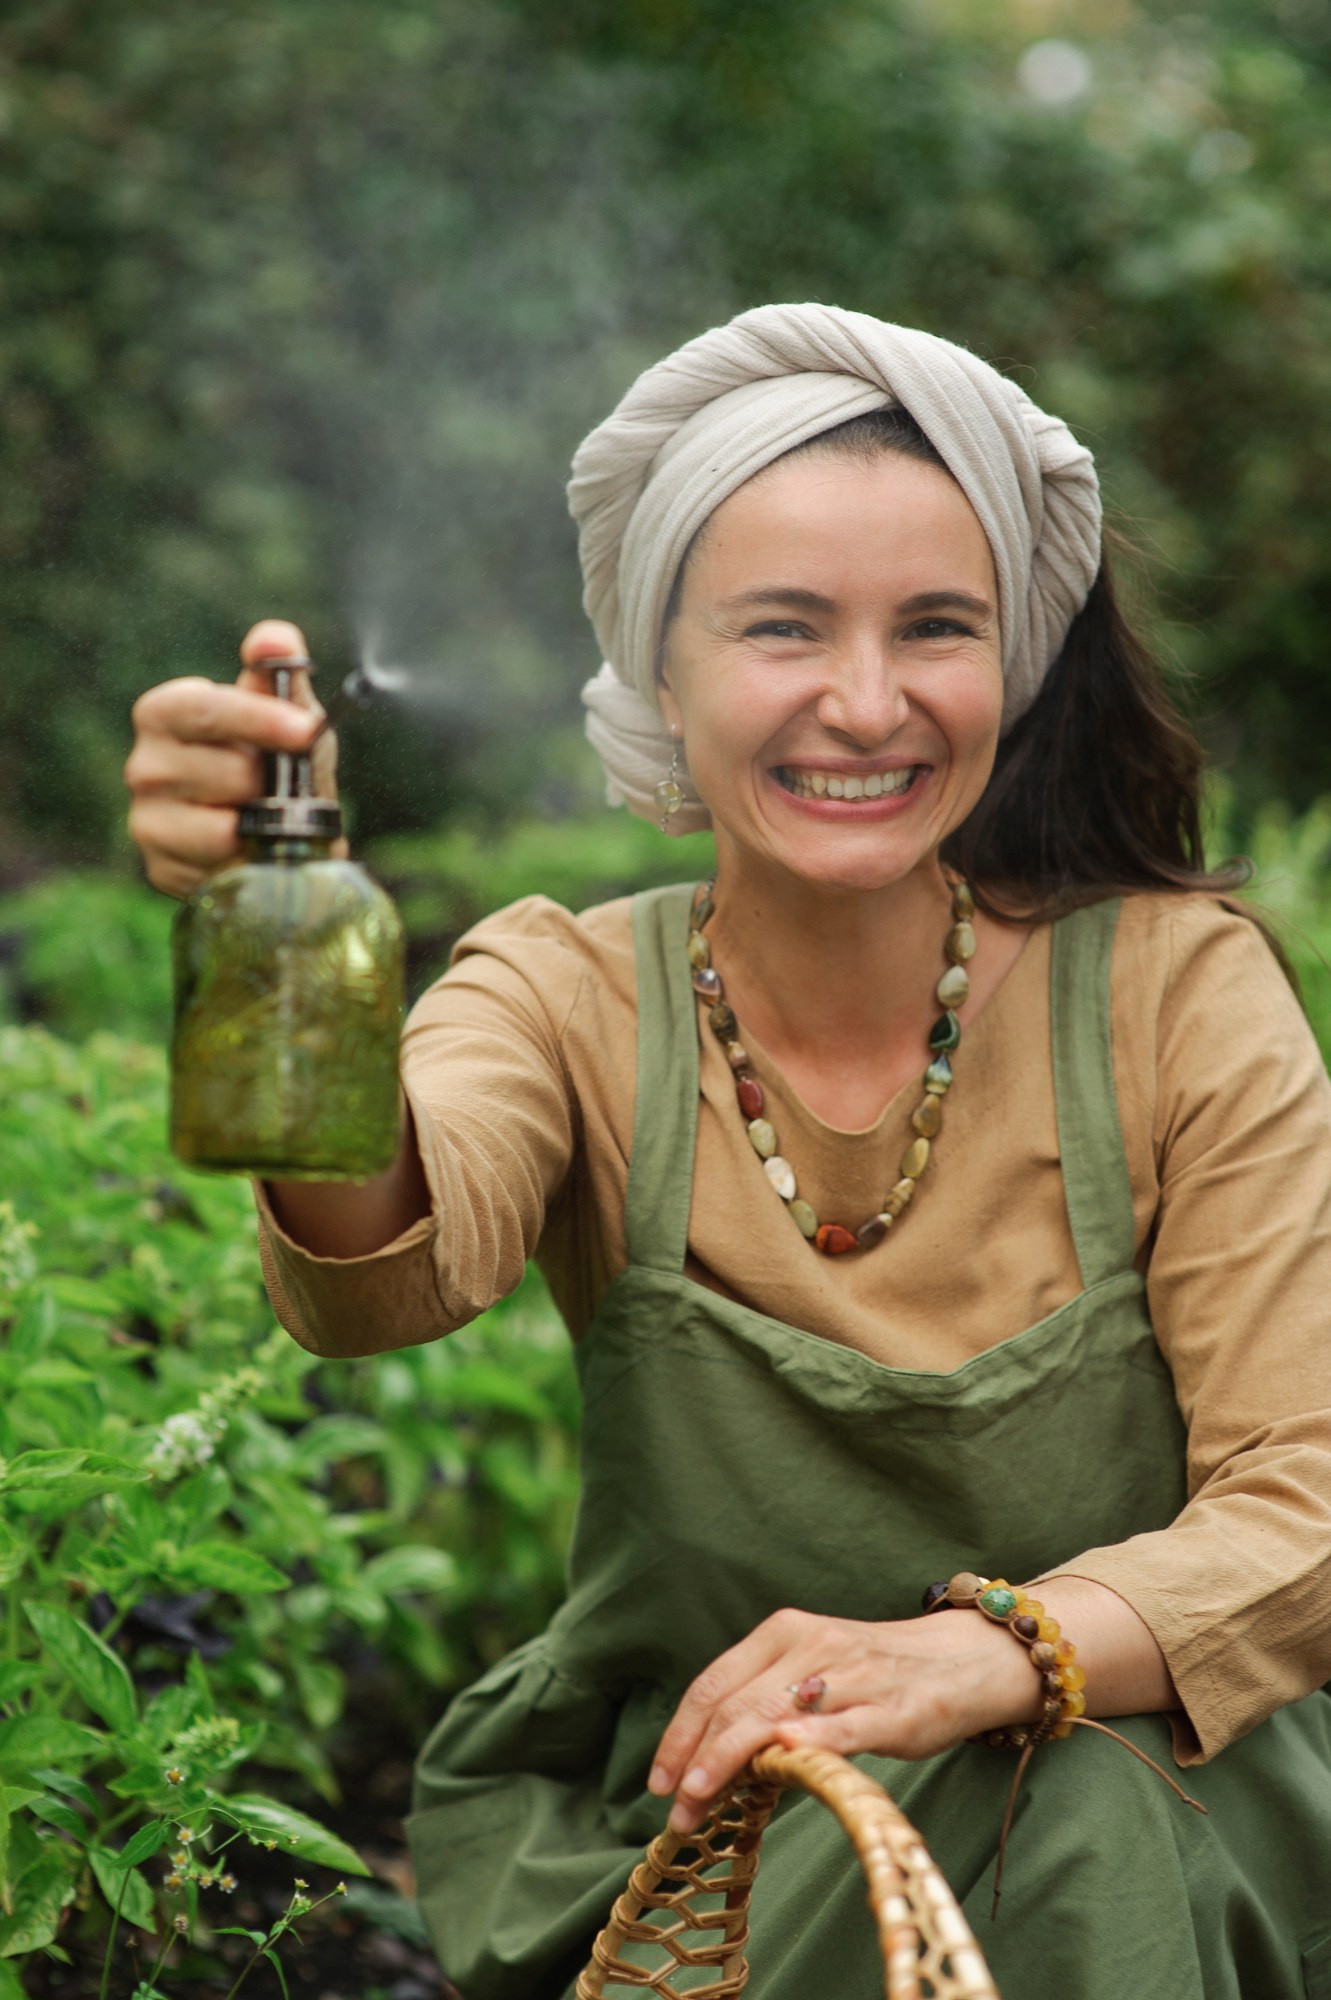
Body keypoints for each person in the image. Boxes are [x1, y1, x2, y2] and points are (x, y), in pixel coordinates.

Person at [126, 304, 1331, 2000]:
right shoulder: (568, 995)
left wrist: (993, 1655)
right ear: (662, 675)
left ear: (1017, 666)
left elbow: (1309, 1501)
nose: (864, 700)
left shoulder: (1172, 999)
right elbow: (377, 1285)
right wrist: (267, 928)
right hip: (716, 1836)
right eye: (783, 628)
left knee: (1067, 1820)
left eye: (935, 628)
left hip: (1165, 1805)